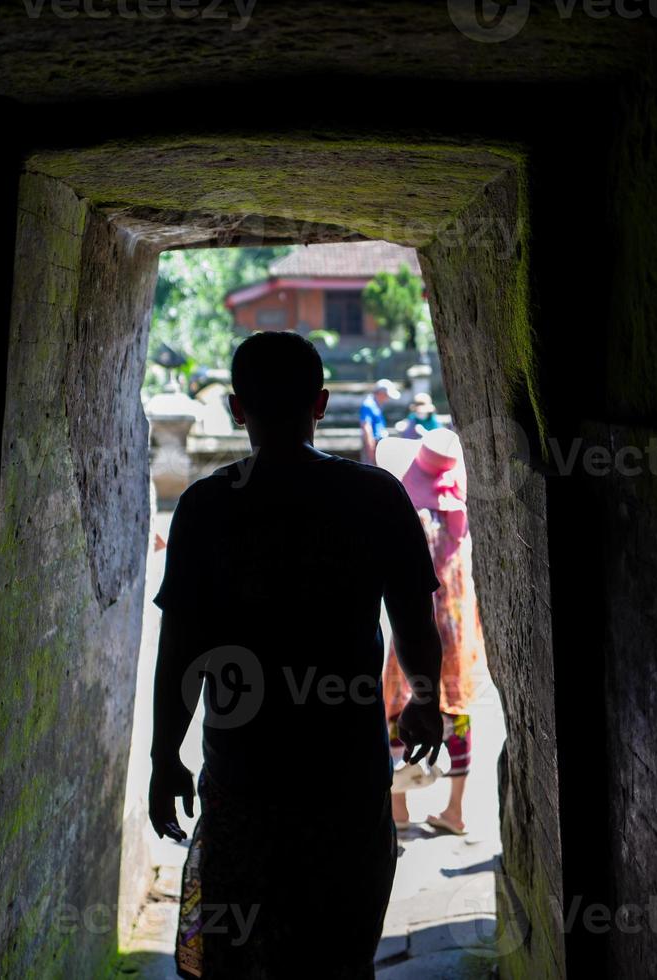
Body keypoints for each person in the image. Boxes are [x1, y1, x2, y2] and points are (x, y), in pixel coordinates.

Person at [148, 331, 446, 979]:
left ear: (235, 409)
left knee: (238, 958)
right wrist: (427, 700)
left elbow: (181, 650)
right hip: (345, 777)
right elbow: (415, 623)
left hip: (243, 776)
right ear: (321, 403)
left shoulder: (204, 508)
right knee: (336, 955)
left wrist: (163, 754)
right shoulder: (374, 498)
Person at [376, 428, 487, 836]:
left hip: (416, 629)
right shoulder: (458, 508)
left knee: (395, 706)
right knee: (455, 711)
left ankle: (399, 804)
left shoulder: (411, 517)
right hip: (457, 632)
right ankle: (454, 809)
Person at [358, 378, 401, 462]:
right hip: (372, 446)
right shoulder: (368, 405)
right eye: (387, 395)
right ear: (381, 393)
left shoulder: (376, 405)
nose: (387, 398)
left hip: (378, 445)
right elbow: (366, 428)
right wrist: (371, 450)